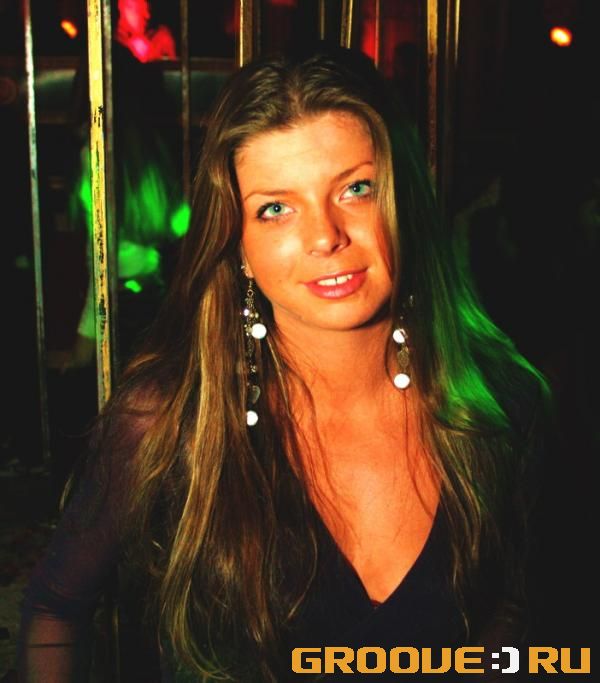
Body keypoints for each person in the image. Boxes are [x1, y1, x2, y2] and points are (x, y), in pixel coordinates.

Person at [18, 44, 551, 682]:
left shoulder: (503, 403)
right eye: (276, 208)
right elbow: (55, 608)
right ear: (237, 242)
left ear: (403, 199)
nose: (325, 236)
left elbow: (513, 611)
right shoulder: (167, 420)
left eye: (356, 188)